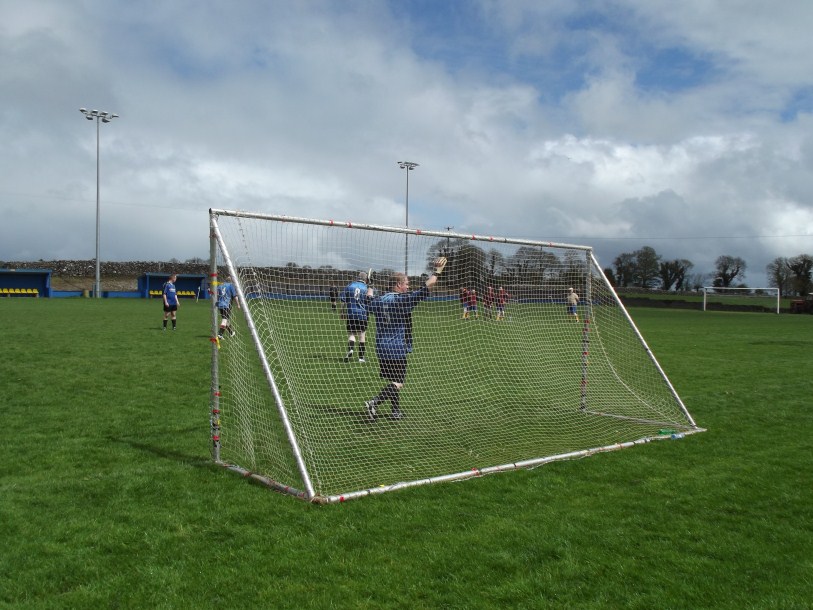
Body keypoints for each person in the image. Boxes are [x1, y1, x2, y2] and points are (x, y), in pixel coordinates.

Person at [363, 257, 447, 422]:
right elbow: (427, 286)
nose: (408, 286)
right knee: (398, 382)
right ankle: (374, 402)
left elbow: (368, 301)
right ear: (398, 285)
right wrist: (437, 271)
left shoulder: (380, 301)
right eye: (406, 284)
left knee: (394, 380)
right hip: (396, 347)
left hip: (381, 348)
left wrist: (370, 285)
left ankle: (395, 412)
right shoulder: (402, 300)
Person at [341, 271, 370, 363]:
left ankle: (350, 349)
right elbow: (369, 301)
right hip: (362, 314)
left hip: (351, 313)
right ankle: (361, 358)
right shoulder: (366, 288)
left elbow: (343, 300)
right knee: (362, 335)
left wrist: (342, 311)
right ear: (365, 279)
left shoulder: (350, 286)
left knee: (351, 334)